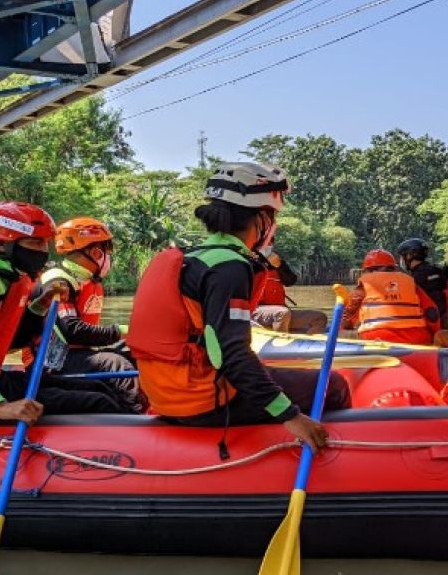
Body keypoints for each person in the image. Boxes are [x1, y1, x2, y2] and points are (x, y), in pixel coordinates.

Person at [126, 162, 348, 452]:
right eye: (274, 217)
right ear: (262, 218)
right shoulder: (230, 266)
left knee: (271, 373)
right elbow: (233, 354)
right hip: (205, 402)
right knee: (335, 384)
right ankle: (337, 455)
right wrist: (290, 415)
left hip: (166, 397)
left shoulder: (194, 258)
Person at [0, 201, 133, 424]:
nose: (42, 251)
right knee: (98, 402)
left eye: (44, 243)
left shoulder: (9, 278)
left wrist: (41, 304)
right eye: (35, 242)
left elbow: (14, 340)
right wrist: (0, 405)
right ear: (2, 245)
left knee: (98, 387)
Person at [32, 216, 140, 410]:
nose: (108, 258)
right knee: (116, 365)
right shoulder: (58, 281)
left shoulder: (86, 280)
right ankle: (133, 415)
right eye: (106, 252)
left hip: (80, 353)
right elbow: (72, 330)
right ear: (95, 253)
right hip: (56, 360)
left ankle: (152, 402)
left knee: (136, 351)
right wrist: (122, 330)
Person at [344, 249, 439, 345]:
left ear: (368, 270)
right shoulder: (410, 281)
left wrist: (345, 327)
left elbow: (347, 317)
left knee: (343, 334)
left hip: (377, 338)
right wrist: (433, 335)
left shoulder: (365, 283)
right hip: (418, 338)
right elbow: (431, 312)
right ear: (393, 267)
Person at [251, 249, 328, 333]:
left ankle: (305, 344)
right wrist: (262, 262)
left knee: (320, 317)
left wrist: (280, 266)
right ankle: (279, 342)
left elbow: (290, 281)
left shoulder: (275, 261)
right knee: (282, 313)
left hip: (281, 312)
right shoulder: (248, 261)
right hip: (256, 311)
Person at [397, 238, 448, 329]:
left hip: (426, 326)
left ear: (410, 255)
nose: (402, 260)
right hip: (444, 323)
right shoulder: (438, 271)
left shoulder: (414, 278)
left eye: (403, 256)